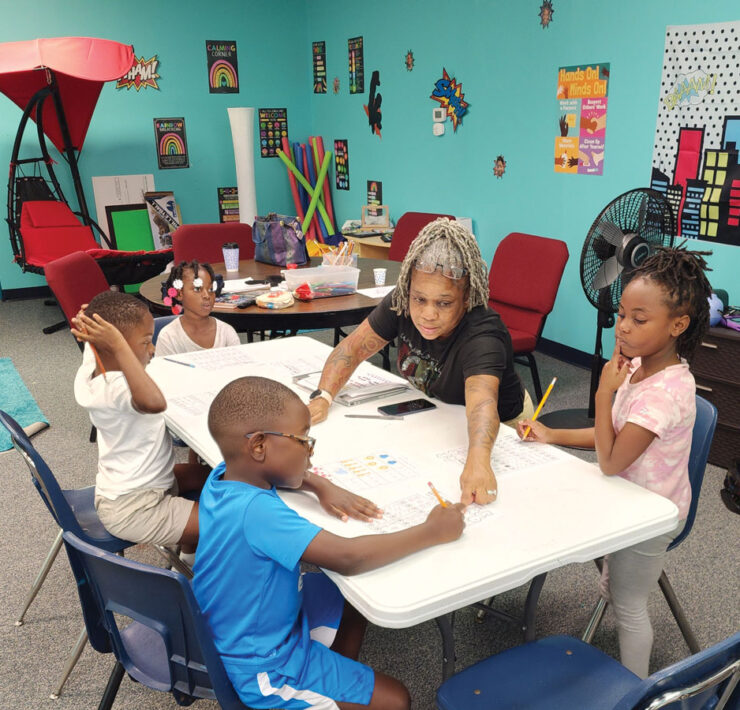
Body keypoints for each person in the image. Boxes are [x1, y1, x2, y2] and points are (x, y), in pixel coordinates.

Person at [193, 375, 466, 710]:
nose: (310, 451)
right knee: (395, 700)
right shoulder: (257, 512)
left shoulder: (223, 476)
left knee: (352, 596)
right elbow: (348, 556)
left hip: (235, 625)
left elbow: (275, 472)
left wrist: (318, 485)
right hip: (264, 667)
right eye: (304, 440)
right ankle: (315, 689)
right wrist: (432, 531)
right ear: (260, 446)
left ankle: (331, 682)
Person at [516, 245, 712, 677]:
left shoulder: (665, 393)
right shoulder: (639, 367)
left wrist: (604, 393)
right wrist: (553, 434)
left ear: (678, 325)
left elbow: (610, 458)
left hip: (651, 513)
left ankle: (638, 690)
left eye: (639, 320)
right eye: (622, 313)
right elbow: (615, 438)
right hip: (623, 491)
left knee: (629, 607)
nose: (622, 327)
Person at [308, 218, 533, 506]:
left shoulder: (483, 333)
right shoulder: (401, 301)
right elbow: (351, 350)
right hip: (438, 410)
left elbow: (482, 404)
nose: (427, 314)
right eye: (420, 299)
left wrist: (478, 462)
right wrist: (323, 396)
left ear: (466, 298)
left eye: (444, 303)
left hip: (503, 426)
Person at [72, 291, 210, 563]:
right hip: (136, 508)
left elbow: (96, 345)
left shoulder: (91, 367)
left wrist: (96, 324)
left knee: (212, 477)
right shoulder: (116, 389)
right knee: (233, 521)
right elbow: (155, 402)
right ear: (114, 347)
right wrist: (122, 346)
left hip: (137, 486)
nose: (153, 348)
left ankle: (187, 560)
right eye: (146, 341)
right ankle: (192, 577)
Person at [155, 260, 240, 357]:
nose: (207, 295)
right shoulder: (169, 337)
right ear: (179, 294)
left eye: (211, 289)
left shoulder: (226, 332)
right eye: (197, 289)